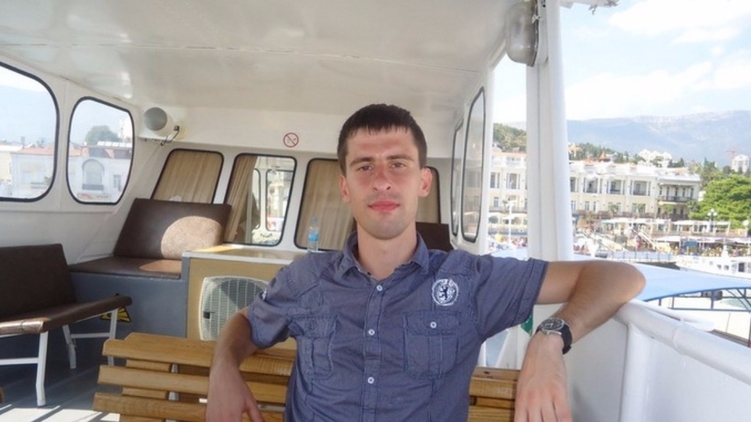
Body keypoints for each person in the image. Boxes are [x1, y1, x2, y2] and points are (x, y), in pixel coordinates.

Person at [206, 104, 645, 422]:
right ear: (345, 187)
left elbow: (619, 276)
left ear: (423, 182)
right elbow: (246, 322)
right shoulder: (305, 279)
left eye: (398, 164)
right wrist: (223, 368)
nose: (382, 180)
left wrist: (549, 340)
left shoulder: (471, 281)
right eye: (364, 167)